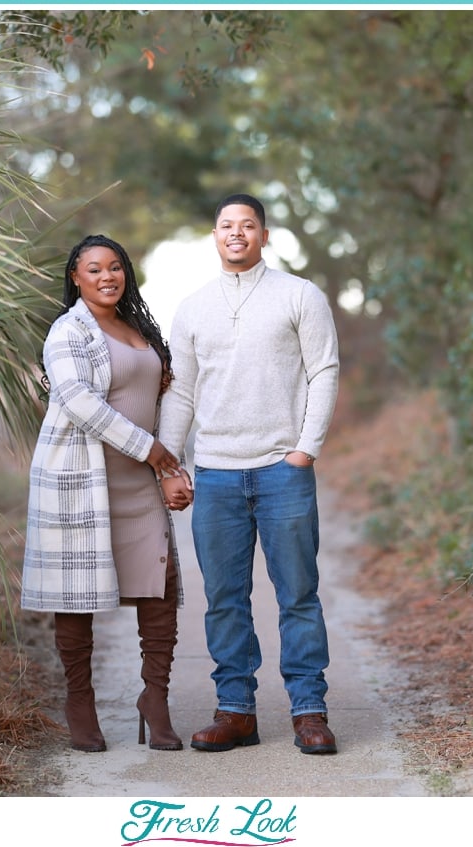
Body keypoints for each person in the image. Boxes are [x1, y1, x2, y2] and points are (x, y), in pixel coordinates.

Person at [158, 193, 341, 755]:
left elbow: (324, 370)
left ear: (264, 234)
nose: (236, 233)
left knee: (298, 596)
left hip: (282, 471)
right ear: (214, 235)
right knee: (225, 600)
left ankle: (309, 712)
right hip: (215, 474)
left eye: (247, 225)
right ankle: (235, 711)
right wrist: (170, 462)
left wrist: (306, 449)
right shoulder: (191, 308)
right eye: (225, 225)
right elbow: (182, 391)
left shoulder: (299, 296)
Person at [21, 234, 193, 753]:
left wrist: (166, 465)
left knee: (158, 589)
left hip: (139, 480)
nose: (106, 276)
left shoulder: (140, 328)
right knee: (76, 599)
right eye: (93, 269)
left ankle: (155, 699)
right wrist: (157, 454)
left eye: (115, 267)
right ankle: (80, 700)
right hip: (81, 479)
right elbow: (79, 403)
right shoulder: (67, 332)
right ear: (75, 277)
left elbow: (163, 398)